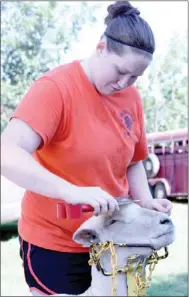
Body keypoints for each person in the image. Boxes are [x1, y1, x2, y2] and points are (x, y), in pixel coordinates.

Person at [1, 0, 173, 295]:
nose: (124, 83)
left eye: (135, 77)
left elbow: (133, 160)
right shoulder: (55, 89)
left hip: (113, 243)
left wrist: (145, 201)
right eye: (120, 71)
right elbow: (7, 154)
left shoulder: (131, 98)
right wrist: (72, 191)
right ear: (101, 47)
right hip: (55, 243)